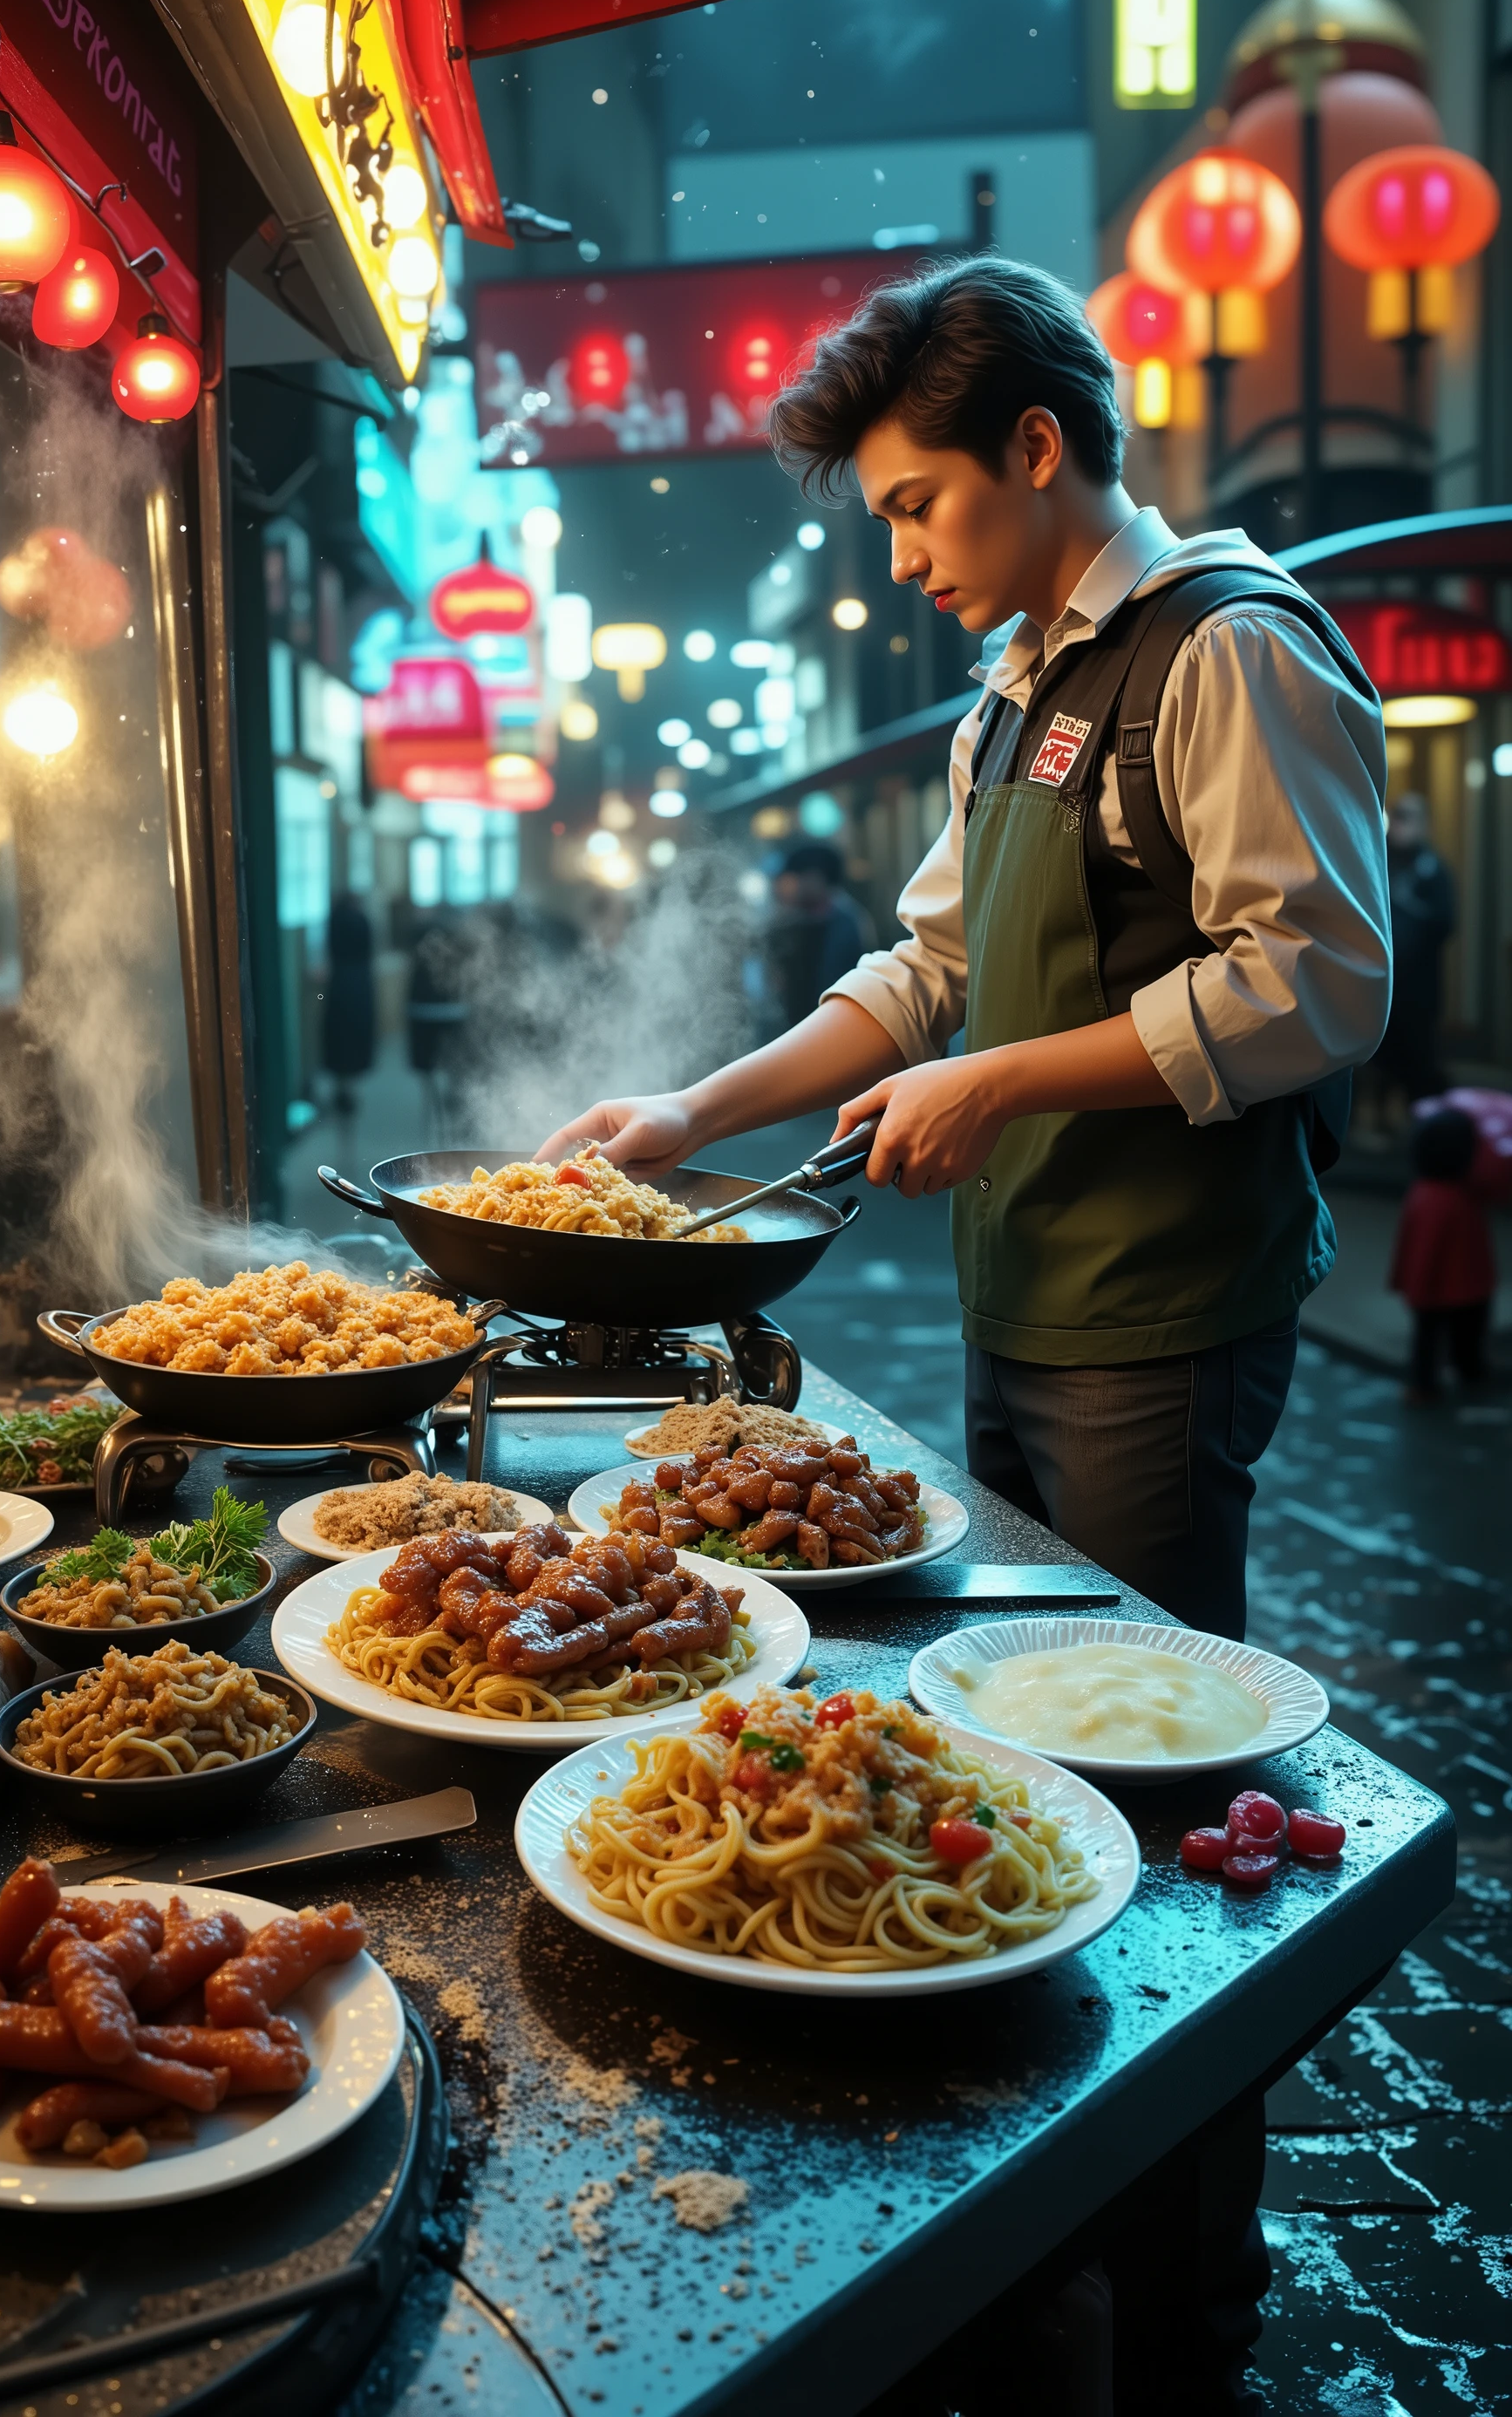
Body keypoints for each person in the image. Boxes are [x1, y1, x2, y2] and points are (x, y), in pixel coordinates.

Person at [539, 254, 1392, 2416]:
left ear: (1035, 450)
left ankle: (1186, 2299)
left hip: (1158, 1319)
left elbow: (1318, 978)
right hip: (1028, 1304)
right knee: (1030, 1763)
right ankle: (1059, 2255)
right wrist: (692, 1109)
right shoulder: (1012, 689)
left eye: (916, 507)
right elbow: (923, 977)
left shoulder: (1227, 644)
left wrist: (1006, 1081)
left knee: (1164, 1791)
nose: (901, 557)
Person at [1390, 1102, 1495, 1402]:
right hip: (1470, 1285)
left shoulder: (1423, 1194)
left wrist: (1414, 1286)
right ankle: (1469, 1371)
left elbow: (1415, 1248)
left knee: (1427, 1338)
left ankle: (1425, 1385)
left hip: (1432, 1287)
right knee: (1469, 1333)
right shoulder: (1466, 1192)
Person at [1376, 793, 1455, 1111]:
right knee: (1378, 1057)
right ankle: (1376, 1120)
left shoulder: (1434, 869)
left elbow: (1447, 923)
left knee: (1418, 1054)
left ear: (1424, 824)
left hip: (1420, 986)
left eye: (1410, 817)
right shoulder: (1378, 861)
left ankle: (1422, 1124)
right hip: (1382, 982)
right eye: (1398, 816)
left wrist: (1412, 905)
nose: (1401, 825)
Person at [762, 837, 876, 1031]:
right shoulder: (786, 924)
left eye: (803, 877)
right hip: (796, 1027)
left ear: (821, 877)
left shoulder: (848, 921)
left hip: (839, 1024)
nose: (797, 885)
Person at [320, 890, 375, 1113]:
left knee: (339, 1036)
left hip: (338, 984)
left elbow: (330, 951)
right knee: (355, 1035)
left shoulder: (334, 920)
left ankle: (342, 1088)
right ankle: (350, 1088)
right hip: (360, 985)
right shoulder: (362, 920)